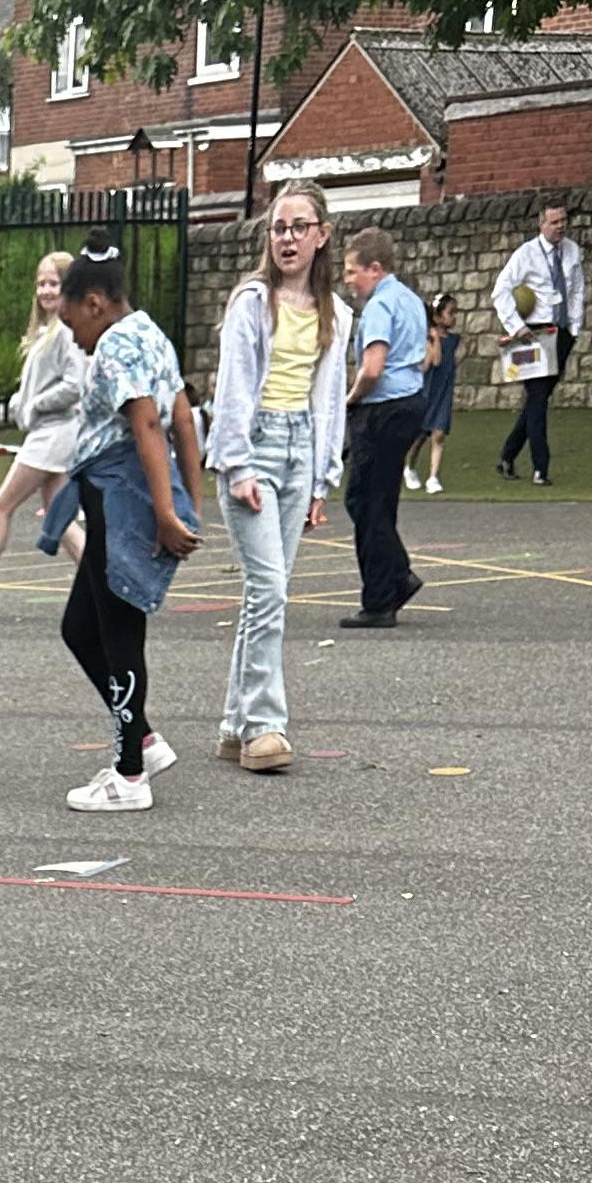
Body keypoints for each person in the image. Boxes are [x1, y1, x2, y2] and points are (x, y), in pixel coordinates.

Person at [53, 249, 200, 812]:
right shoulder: (150, 333)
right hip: (127, 495)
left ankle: (129, 776)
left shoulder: (115, 345)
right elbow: (183, 418)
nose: (74, 337)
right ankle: (142, 738)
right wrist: (190, 503)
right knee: (79, 627)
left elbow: (147, 424)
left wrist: (165, 515)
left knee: (118, 632)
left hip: (121, 497)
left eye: (71, 321)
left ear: (94, 303)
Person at [207, 182, 347, 774]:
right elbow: (234, 387)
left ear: (322, 236)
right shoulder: (252, 303)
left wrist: (320, 481)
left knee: (264, 594)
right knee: (269, 590)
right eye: (278, 228)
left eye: (299, 227)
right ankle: (265, 724)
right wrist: (237, 464)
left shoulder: (335, 313)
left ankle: (235, 727)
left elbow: (330, 399)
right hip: (255, 447)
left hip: (300, 450)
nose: (287, 238)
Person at [0, 253, 87, 586]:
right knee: (58, 514)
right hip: (48, 431)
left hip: (54, 434)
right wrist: (20, 402)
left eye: (54, 283)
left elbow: (75, 384)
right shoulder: (46, 330)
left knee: (1, 506)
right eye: (41, 284)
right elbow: (38, 383)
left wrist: (36, 405)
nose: (45, 291)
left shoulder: (66, 331)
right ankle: (98, 582)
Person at [337, 232, 428, 630]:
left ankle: (381, 597)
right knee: (379, 500)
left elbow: (373, 367)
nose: (348, 281)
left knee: (364, 501)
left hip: (382, 408)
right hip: (410, 402)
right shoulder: (410, 300)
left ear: (374, 269)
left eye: (351, 271)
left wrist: (350, 398)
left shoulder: (379, 306)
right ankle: (396, 578)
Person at [492, 200, 586, 484]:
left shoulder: (572, 250)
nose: (560, 226)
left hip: (562, 332)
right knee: (537, 398)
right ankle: (540, 468)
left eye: (563, 220)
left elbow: (577, 289)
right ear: (541, 224)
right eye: (554, 222)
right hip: (534, 333)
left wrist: (575, 327)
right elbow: (500, 291)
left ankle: (507, 456)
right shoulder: (526, 254)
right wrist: (517, 327)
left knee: (539, 398)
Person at [408, 295, 461, 497]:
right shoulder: (427, 339)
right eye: (450, 313)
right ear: (437, 316)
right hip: (428, 392)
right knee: (421, 435)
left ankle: (433, 477)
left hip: (443, 392)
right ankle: (409, 467)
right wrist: (435, 339)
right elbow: (435, 362)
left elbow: (454, 360)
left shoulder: (454, 340)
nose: (454, 317)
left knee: (438, 435)